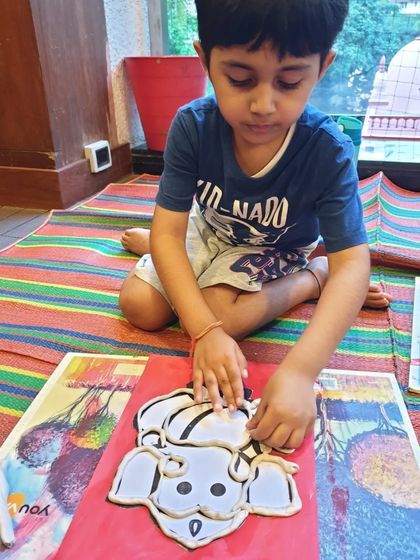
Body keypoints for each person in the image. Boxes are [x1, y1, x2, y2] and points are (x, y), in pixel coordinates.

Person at [119, 0, 391, 450]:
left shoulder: (328, 151)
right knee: (140, 306)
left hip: (277, 248)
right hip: (209, 230)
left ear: (322, 67)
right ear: (205, 60)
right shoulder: (192, 126)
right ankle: (172, 264)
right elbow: (170, 232)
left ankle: (310, 279)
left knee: (222, 313)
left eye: (289, 82)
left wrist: (301, 371)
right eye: (240, 79)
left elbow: (352, 266)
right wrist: (203, 333)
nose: (263, 105)